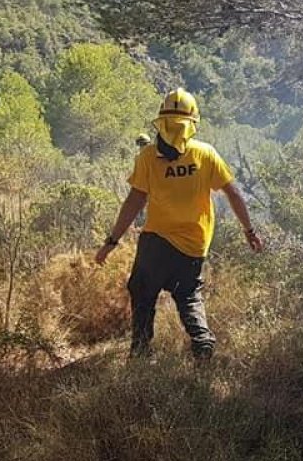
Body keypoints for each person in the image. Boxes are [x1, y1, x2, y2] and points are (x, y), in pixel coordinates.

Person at [96, 88, 264, 361]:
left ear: (161, 120)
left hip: (156, 243)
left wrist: (111, 242)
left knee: (142, 292)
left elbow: (134, 201)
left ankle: (140, 354)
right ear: (192, 122)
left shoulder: (149, 157)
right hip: (194, 245)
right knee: (188, 296)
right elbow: (234, 193)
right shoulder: (205, 154)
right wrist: (249, 231)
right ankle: (202, 340)